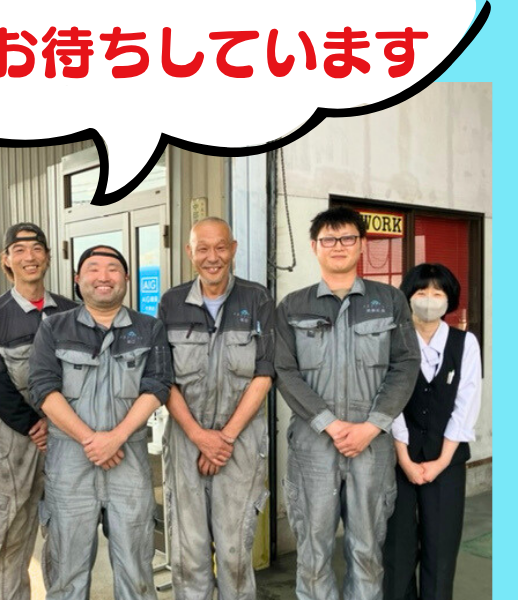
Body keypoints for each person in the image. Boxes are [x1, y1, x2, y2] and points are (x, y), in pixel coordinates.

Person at [275, 206, 421, 600]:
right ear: (314, 247)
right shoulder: (293, 306)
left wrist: (373, 425)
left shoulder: (389, 301)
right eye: (328, 239)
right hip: (313, 445)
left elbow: (406, 364)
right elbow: (284, 371)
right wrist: (329, 422)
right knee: (313, 553)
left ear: (361, 244)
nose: (337, 246)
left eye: (347, 238)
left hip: (371, 445)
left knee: (367, 551)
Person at [29, 245, 172, 600]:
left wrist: (116, 438)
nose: (103, 277)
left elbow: (158, 385)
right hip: (70, 461)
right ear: (78, 279)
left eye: (112, 268)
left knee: (136, 569)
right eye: (93, 268)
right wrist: (92, 440)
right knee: (67, 571)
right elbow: (43, 388)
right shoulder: (54, 328)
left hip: (129, 459)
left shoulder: (149, 328)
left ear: (126, 278)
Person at [158, 217, 274, 600]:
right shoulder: (171, 303)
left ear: (233, 249)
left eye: (221, 247)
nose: (213, 257)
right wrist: (199, 437)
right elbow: (164, 379)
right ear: (189, 252)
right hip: (185, 443)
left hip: (239, 444)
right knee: (188, 556)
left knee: (234, 554)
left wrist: (222, 439)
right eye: (203, 249)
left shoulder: (257, 300)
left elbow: (264, 374)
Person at [0, 223, 77, 600]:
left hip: (67, 439)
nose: (29, 257)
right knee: (11, 541)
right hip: (17, 442)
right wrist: (35, 425)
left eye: (36, 248)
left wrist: (59, 422)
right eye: (18, 250)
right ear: (6, 259)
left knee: (67, 539)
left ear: (48, 257)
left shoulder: (70, 311)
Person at [383, 264, 482, 600]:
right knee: (397, 550)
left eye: (437, 293)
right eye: (421, 292)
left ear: (448, 299)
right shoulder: (393, 340)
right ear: (408, 297)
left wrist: (441, 461)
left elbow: (466, 404)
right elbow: (389, 400)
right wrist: (404, 458)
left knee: (441, 549)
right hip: (397, 460)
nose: (429, 299)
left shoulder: (465, 343)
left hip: (447, 459)